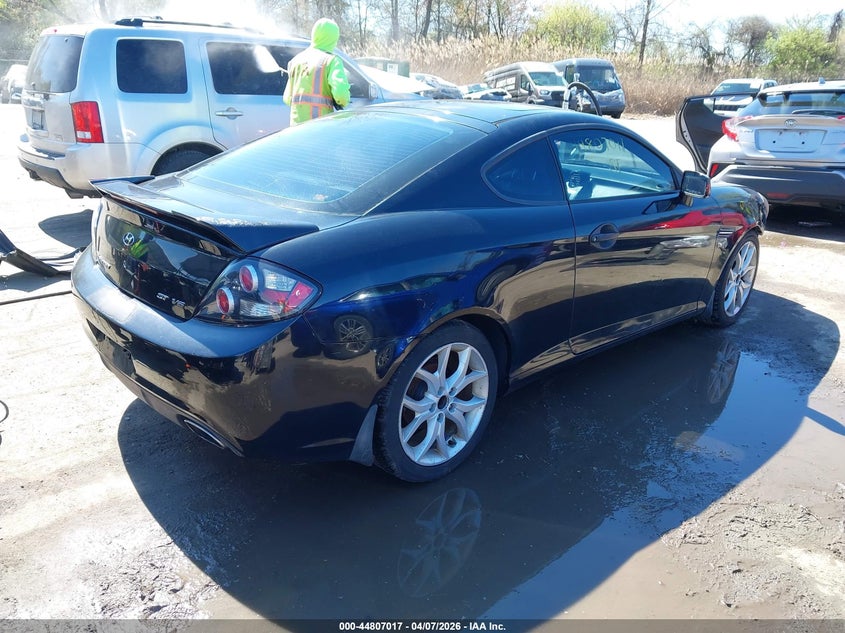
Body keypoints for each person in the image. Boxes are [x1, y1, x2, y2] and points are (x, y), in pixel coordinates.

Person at [283, 18, 351, 126]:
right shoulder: (332, 61)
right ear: (333, 39)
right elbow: (341, 96)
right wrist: (342, 101)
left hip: (295, 130)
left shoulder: (295, 61)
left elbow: (287, 99)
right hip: (318, 129)